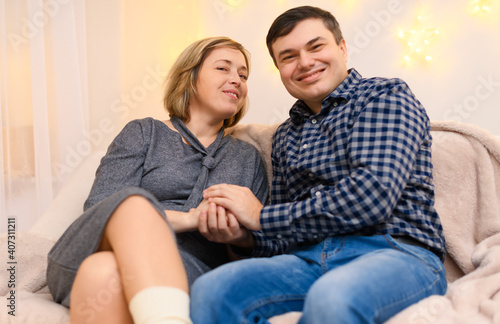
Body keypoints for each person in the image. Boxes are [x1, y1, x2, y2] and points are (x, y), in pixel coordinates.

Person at [190, 6, 447, 324]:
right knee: (212, 290)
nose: (305, 62)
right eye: (288, 57)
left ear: (341, 47)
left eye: (316, 46)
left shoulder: (384, 96)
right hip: (308, 260)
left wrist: (259, 215)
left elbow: (372, 196)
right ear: (279, 69)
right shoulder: (285, 135)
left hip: (397, 253)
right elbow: (281, 236)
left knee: (333, 297)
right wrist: (243, 237)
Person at [46, 36, 269, 324]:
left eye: (243, 74)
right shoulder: (144, 133)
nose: (236, 79)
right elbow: (102, 208)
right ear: (189, 78)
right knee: (134, 205)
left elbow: (263, 251)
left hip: (189, 269)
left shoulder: (248, 157)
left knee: (104, 271)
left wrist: (238, 238)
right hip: (87, 251)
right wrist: (192, 219)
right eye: (223, 69)